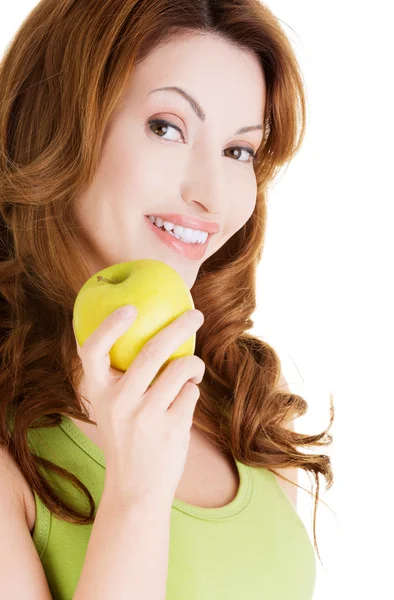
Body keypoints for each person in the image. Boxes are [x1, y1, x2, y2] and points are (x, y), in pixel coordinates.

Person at [0, 1, 334, 598]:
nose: (210, 195)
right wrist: (136, 493)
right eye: (166, 126)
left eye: (238, 151)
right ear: (54, 123)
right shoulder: (12, 453)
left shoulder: (242, 407)